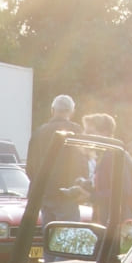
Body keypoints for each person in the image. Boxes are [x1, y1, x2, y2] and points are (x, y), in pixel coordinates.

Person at [25, 94, 87, 224]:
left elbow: (30, 167)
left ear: (52, 110)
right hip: (66, 194)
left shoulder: (39, 132)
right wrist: (81, 186)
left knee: (49, 234)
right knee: (68, 235)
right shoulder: (76, 131)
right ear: (72, 112)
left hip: (43, 192)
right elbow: (82, 162)